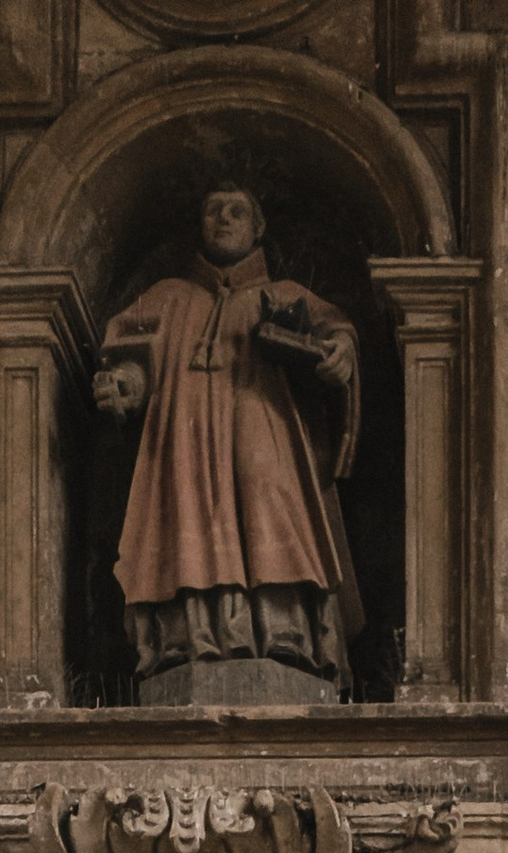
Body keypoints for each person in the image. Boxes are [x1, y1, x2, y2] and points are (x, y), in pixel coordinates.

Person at [94, 181, 363, 704]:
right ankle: (185, 639)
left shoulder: (283, 295)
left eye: (236, 211)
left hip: (267, 428)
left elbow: (338, 330)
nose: (222, 219)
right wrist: (124, 383)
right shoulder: (168, 296)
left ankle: (285, 634)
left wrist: (341, 352)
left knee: (273, 509)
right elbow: (133, 356)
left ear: (259, 228)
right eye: (212, 210)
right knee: (187, 518)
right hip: (184, 437)